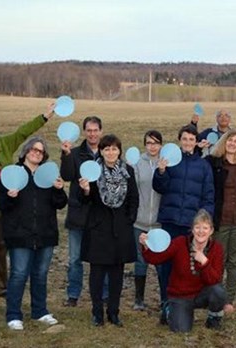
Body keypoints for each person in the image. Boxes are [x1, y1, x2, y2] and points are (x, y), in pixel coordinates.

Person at [0, 105, 55, 302]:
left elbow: (23, 132)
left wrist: (44, 117)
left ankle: (0, 286)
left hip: (7, 207)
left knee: (1, 247)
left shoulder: (3, 144)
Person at [0, 136, 68, 331]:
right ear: (26, 151)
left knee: (41, 274)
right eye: (33, 149)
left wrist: (59, 190)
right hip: (19, 233)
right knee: (18, 274)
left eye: (40, 151)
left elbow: (59, 203)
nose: (36, 152)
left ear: (44, 156)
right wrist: (9, 197)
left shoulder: (48, 176)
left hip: (45, 233)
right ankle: (13, 314)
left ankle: (40, 311)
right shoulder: (12, 174)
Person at [152, 124, 214, 323]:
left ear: (196, 142)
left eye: (191, 139)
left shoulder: (204, 166)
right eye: (185, 139)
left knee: (187, 267)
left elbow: (208, 196)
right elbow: (160, 187)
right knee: (166, 266)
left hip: (190, 226)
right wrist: (161, 172)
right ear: (180, 140)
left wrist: (204, 223)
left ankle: (184, 305)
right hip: (170, 221)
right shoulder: (170, 161)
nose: (188, 142)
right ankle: (166, 304)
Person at [78, 134, 139, 327]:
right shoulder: (93, 170)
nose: (110, 152)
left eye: (114, 149)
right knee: (96, 274)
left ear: (119, 151)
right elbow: (84, 201)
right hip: (98, 229)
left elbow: (133, 198)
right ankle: (97, 312)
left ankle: (114, 312)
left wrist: (129, 220)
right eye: (106, 149)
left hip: (120, 229)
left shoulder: (127, 170)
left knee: (117, 274)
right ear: (101, 151)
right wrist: (86, 189)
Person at [140, 209, 226, 332]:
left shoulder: (217, 248)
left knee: (219, 292)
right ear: (192, 229)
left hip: (201, 293)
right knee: (181, 330)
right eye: (197, 227)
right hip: (180, 295)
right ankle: (168, 310)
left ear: (211, 230)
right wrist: (146, 246)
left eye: (205, 228)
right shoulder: (180, 243)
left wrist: (204, 262)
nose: (201, 231)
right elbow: (156, 258)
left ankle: (214, 319)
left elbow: (215, 279)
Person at [59, 115, 104, 307]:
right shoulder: (76, 153)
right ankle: (73, 294)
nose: (92, 134)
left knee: (101, 256)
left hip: (100, 214)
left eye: (96, 130)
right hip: (78, 212)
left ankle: (103, 293)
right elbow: (67, 175)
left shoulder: (108, 152)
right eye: (89, 130)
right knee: (75, 258)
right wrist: (66, 156)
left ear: (101, 131)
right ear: (84, 132)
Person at [205, 129, 236, 312]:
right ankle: (215, 297)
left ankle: (228, 300)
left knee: (235, 262)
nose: (232, 144)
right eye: (230, 140)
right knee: (218, 260)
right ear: (224, 142)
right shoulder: (213, 162)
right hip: (221, 220)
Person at [132, 130, 164, 311]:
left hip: (159, 223)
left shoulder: (166, 163)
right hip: (140, 221)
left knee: (160, 261)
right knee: (140, 260)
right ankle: (139, 299)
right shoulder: (138, 163)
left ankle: (163, 298)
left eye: (156, 143)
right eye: (149, 143)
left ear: (161, 145)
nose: (152, 146)